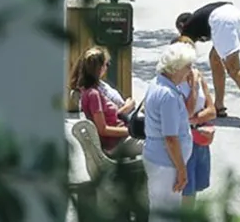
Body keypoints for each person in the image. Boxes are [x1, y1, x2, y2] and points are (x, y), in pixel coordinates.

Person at [175, 2, 240, 128]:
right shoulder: (203, 17)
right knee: (215, 58)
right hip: (235, 15)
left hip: (222, 22)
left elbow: (183, 54)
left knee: (234, 69)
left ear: (182, 26)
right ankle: (219, 105)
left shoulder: (188, 29)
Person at [142, 42, 196, 218]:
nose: (190, 70)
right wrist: (182, 170)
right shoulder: (168, 95)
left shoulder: (156, 83)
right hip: (166, 163)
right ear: (176, 68)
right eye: (188, 66)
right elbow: (171, 138)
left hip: (158, 158)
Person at [68, 46, 143, 158]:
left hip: (121, 136)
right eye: (106, 65)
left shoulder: (91, 91)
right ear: (100, 68)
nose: (107, 68)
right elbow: (103, 130)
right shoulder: (93, 95)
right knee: (160, 143)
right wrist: (131, 131)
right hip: (116, 144)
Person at [170, 36, 217, 206]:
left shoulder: (198, 75)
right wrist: (195, 87)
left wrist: (195, 121)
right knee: (185, 191)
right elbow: (186, 112)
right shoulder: (174, 82)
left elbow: (212, 110)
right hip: (184, 141)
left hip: (200, 139)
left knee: (195, 188)